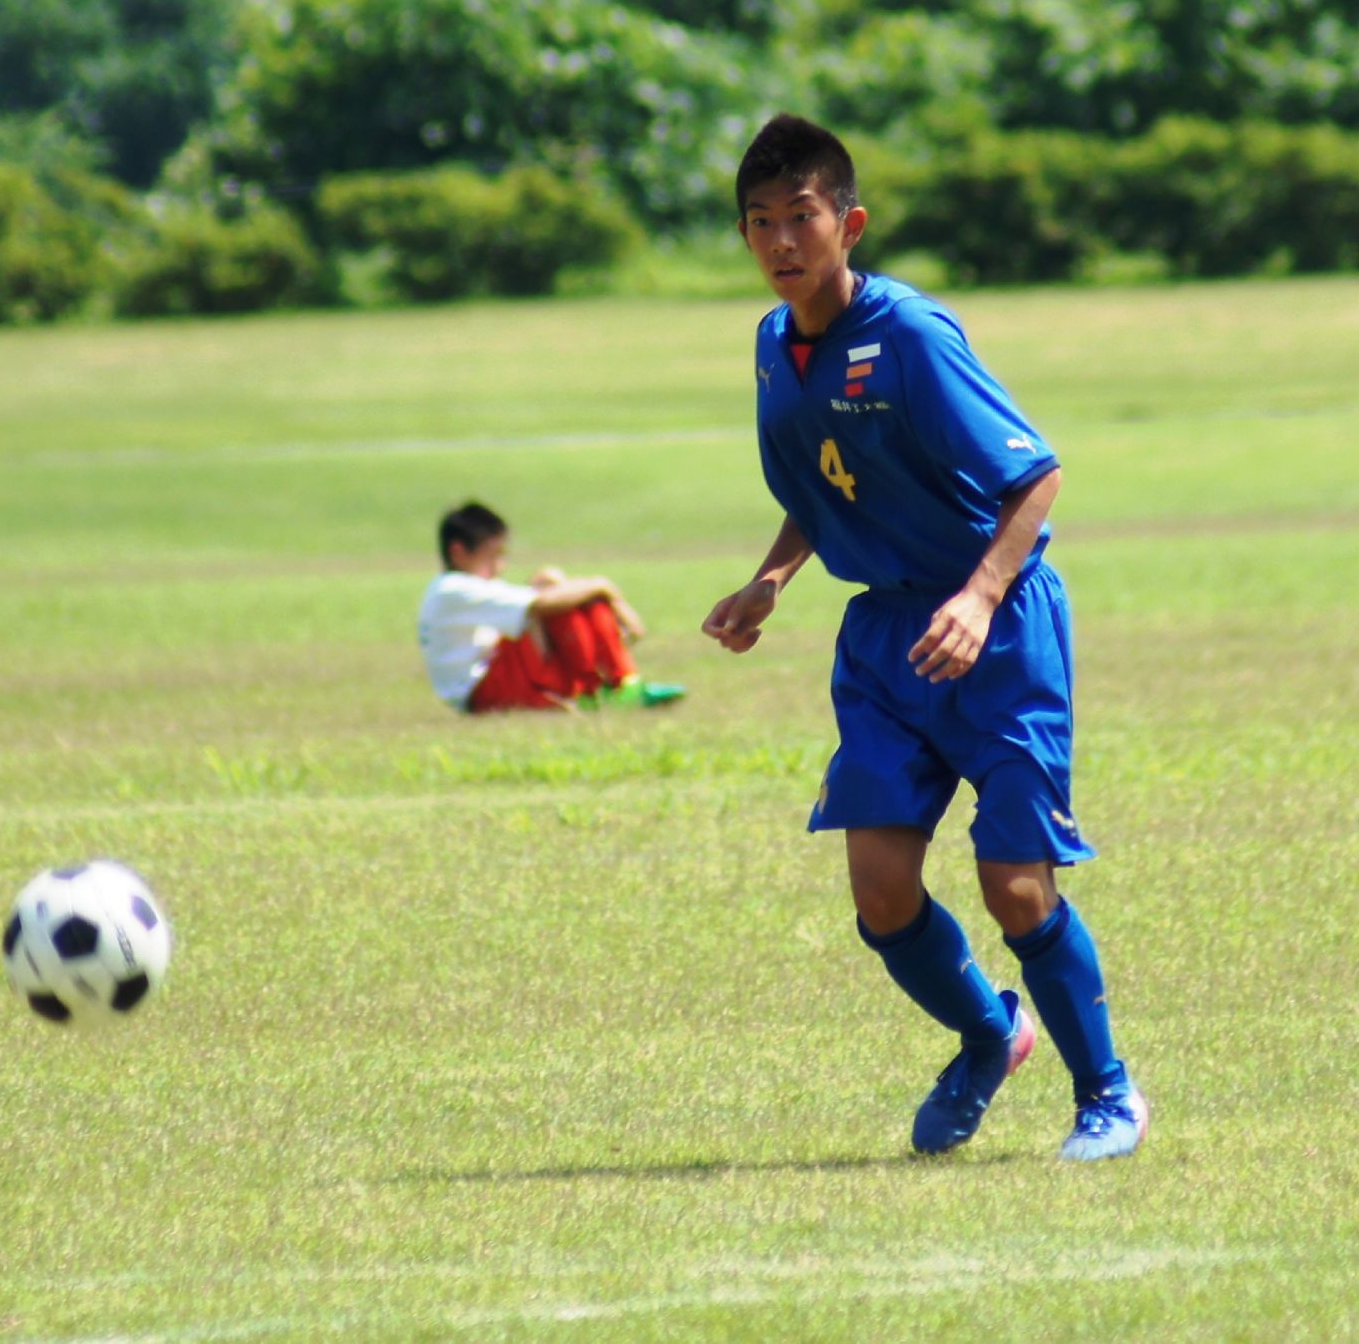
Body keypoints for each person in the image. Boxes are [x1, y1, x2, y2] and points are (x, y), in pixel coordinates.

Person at [701, 115, 1143, 1162]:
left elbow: (1036, 475)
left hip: (999, 628)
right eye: (759, 221)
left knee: (1015, 886)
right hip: (885, 639)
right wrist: (769, 581)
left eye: (801, 216)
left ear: (848, 224)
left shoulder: (910, 333)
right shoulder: (771, 347)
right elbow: (828, 485)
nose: (780, 241)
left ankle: (1109, 1095)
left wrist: (979, 598)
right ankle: (989, 1037)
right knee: (881, 890)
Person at [418, 502, 684, 714]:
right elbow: (540, 604)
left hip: (496, 677)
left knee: (554, 585)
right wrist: (605, 587)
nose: (500, 566)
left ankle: (616, 684)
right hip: (485, 688)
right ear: (459, 552)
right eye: (493, 556)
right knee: (558, 602)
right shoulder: (454, 588)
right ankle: (605, 685)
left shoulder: (456, 589)